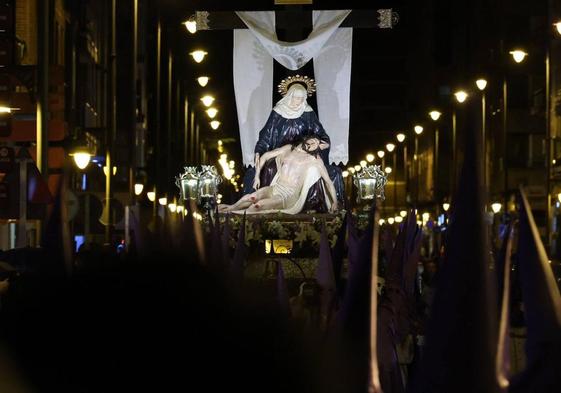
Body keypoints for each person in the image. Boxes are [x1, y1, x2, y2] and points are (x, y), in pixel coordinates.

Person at [242, 81, 344, 209]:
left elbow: (321, 134)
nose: (299, 101)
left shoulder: (308, 112)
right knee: (269, 169)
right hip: (284, 153)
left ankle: (312, 204)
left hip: (304, 156)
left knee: (320, 172)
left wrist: (322, 144)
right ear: (290, 96)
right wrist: (259, 150)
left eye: (302, 98)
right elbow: (266, 135)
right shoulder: (278, 112)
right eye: (296, 98)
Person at [220, 135, 338, 214]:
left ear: (317, 148)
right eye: (313, 140)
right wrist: (257, 176)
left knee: (258, 205)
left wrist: (335, 202)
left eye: (317, 144)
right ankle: (230, 209)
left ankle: (240, 220)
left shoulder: (314, 160)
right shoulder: (289, 149)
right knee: (253, 197)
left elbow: (328, 182)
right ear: (307, 138)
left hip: (288, 196)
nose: (314, 143)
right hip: (276, 188)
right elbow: (266, 156)